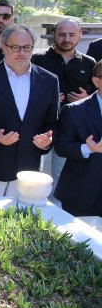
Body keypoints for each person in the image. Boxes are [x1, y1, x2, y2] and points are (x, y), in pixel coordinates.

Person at [0, 25, 60, 197]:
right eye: (15, 47)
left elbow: (52, 123)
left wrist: (46, 140)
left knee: (22, 222)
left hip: (27, 170)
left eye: (27, 47)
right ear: (3, 47)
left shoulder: (49, 80)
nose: (21, 53)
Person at [32, 18, 96, 186]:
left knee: (62, 178)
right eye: (61, 34)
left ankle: (59, 211)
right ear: (54, 35)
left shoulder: (89, 63)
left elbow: (97, 94)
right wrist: (47, 98)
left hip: (73, 130)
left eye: (71, 35)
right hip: (42, 125)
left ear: (80, 35)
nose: (66, 39)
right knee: (36, 175)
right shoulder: (37, 59)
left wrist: (85, 99)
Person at [53, 60, 102, 216]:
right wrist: (88, 148)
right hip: (82, 193)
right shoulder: (74, 110)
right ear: (96, 81)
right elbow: (61, 147)